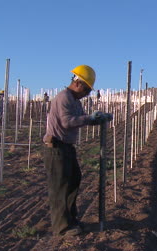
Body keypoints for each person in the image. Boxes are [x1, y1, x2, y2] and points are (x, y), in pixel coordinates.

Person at [43, 65, 112, 237]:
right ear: (78, 83)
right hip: (56, 147)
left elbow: (82, 120)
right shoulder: (64, 97)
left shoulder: (74, 100)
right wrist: (89, 118)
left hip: (66, 147)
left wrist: (98, 119)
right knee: (61, 187)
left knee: (73, 181)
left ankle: (71, 220)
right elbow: (67, 122)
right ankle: (62, 227)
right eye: (87, 90)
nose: (87, 94)